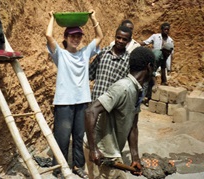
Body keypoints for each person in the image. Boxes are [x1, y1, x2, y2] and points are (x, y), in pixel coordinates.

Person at [45, 10, 103, 179]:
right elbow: (48, 35)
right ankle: (59, 168)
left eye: (78, 36)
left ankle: (78, 166)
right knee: (62, 138)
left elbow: (99, 37)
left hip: (83, 101)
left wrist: (93, 17)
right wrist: (51, 18)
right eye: (72, 36)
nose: (76, 39)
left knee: (78, 136)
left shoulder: (85, 53)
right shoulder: (60, 55)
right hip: (64, 102)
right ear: (66, 38)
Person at [85, 46, 155, 178]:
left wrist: (135, 157)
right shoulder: (123, 87)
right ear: (149, 67)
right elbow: (90, 111)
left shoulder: (137, 91)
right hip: (102, 153)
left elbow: (133, 126)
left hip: (113, 153)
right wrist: (94, 150)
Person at [89, 25, 132, 101]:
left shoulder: (128, 61)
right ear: (115, 37)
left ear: (129, 41)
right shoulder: (103, 53)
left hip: (112, 106)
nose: (120, 41)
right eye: (118, 37)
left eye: (124, 39)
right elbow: (89, 74)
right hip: (95, 102)